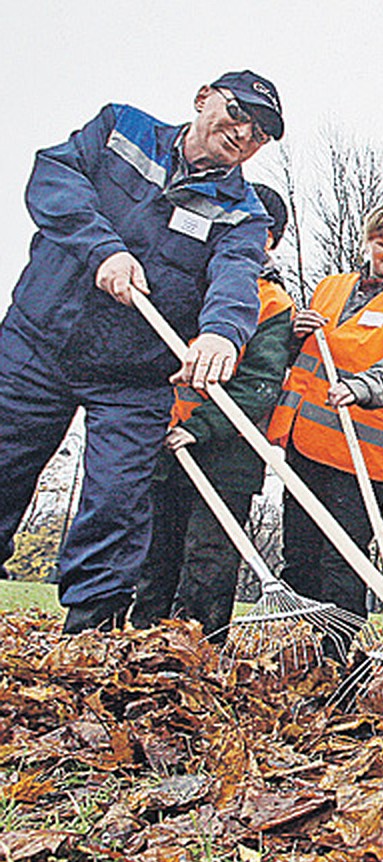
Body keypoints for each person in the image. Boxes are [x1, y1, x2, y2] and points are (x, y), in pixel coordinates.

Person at [0, 71, 284, 633]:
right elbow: (56, 179)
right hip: (40, 344)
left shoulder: (244, 214)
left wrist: (222, 333)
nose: (244, 133)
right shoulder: (119, 129)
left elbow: (235, 277)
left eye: (261, 132)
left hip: (133, 377)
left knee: (118, 500)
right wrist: (101, 249)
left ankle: (90, 633)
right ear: (203, 97)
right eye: (237, 112)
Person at [133, 185, 296, 637]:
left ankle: (197, 655)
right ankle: (141, 644)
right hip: (165, 443)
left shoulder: (273, 304)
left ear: (272, 241)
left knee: (208, 560)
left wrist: (199, 429)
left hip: (226, 456)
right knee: (156, 556)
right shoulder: (189, 283)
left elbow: (258, 387)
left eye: (261, 232)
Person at [267, 205, 383, 624]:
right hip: (306, 443)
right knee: (300, 552)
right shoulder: (330, 288)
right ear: (368, 243)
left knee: (342, 559)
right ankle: (297, 646)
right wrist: (293, 334)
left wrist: (362, 388)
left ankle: (337, 649)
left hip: (362, 455)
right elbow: (294, 356)